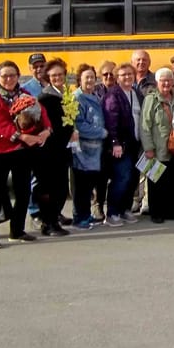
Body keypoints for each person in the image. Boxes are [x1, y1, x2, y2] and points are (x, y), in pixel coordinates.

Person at [0, 61, 52, 249]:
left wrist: (47, 130)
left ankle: (17, 230)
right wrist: (22, 136)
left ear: (18, 76)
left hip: (22, 151)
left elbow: (41, 112)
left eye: (12, 75)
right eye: (5, 76)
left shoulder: (25, 95)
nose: (9, 79)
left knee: (23, 191)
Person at [35, 58, 75, 237]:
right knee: (49, 188)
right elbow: (49, 126)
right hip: (49, 151)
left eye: (60, 74)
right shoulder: (46, 98)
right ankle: (48, 223)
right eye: (53, 75)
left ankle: (54, 219)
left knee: (60, 187)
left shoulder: (65, 94)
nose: (57, 77)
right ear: (48, 77)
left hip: (62, 149)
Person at [140, 67, 174, 223]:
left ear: (173, 82)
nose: (166, 83)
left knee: (171, 180)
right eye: (163, 80)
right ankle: (156, 212)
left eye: (169, 80)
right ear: (157, 82)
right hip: (157, 148)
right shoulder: (151, 100)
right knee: (155, 182)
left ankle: (171, 210)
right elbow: (145, 125)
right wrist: (148, 148)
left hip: (173, 148)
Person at [103, 63, 143, 227]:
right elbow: (111, 121)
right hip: (121, 144)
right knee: (121, 177)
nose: (127, 77)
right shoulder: (114, 95)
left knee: (132, 178)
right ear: (117, 78)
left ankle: (125, 209)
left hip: (135, 143)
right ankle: (112, 212)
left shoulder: (135, 93)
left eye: (129, 74)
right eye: (123, 75)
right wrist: (115, 142)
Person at [70, 63, 107, 229]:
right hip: (83, 149)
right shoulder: (77, 98)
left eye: (92, 77)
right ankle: (80, 217)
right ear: (80, 80)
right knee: (82, 186)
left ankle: (85, 214)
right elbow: (79, 125)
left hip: (94, 150)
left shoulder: (94, 96)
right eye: (87, 77)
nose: (90, 80)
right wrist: (101, 132)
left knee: (88, 184)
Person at [91, 60, 117, 221]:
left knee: (117, 175)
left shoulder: (120, 91)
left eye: (111, 73)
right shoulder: (95, 92)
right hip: (99, 139)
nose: (109, 76)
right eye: (105, 74)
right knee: (99, 176)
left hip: (116, 140)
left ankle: (115, 207)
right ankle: (98, 204)